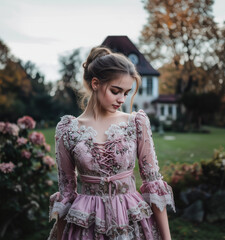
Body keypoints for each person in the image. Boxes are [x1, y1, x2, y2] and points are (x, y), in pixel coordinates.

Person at [48, 46, 175, 240]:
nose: (122, 99)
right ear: (96, 83)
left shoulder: (136, 123)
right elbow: (66, 193)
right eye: (116, 91)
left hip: (131, 222)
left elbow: (153, 184)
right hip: (86, 225)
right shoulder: (67, 130)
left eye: (126, 93)